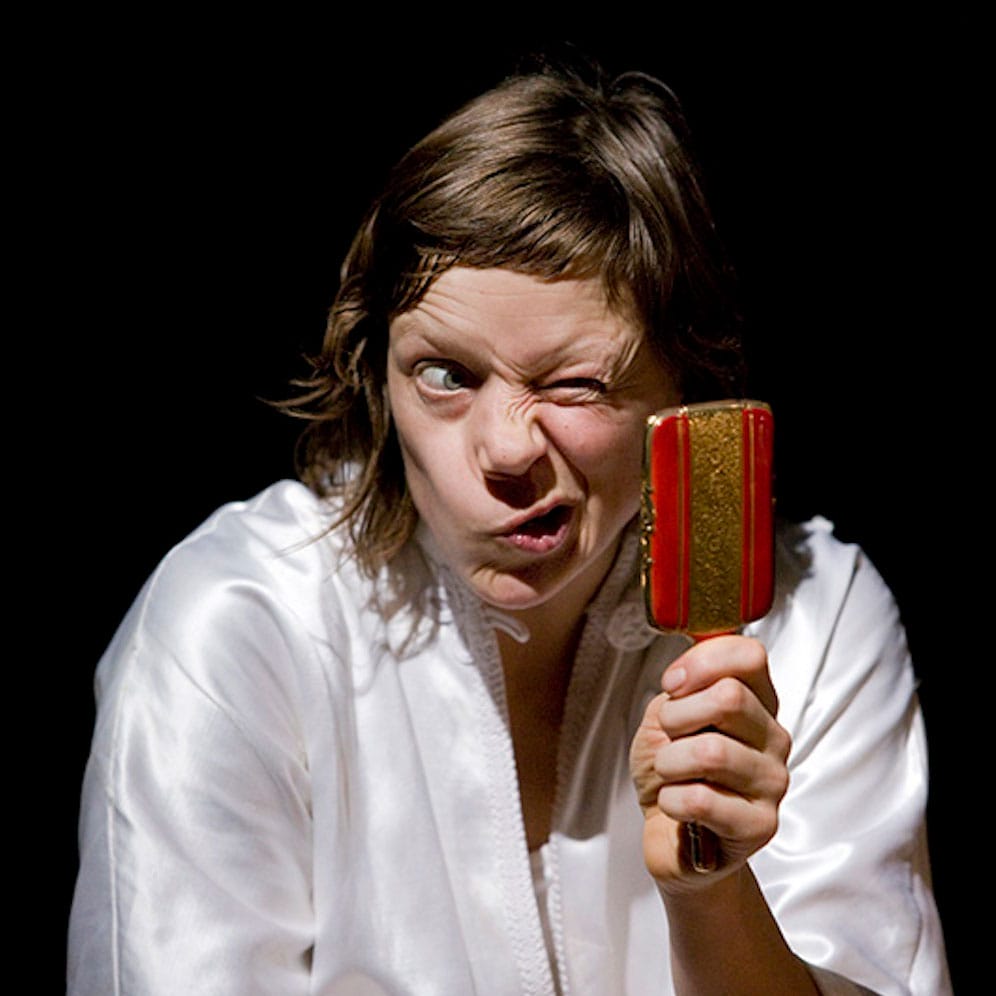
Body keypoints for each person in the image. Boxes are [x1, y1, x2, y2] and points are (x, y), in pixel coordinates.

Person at [68, 54, 951, 994]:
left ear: (686, 393)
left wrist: (712, 894)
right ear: (377, 374)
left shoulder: (813, 620)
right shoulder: (239, 624)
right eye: (445, 375)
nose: (503, 449)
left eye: (574, 385)